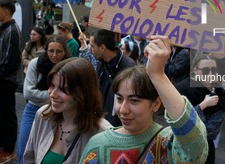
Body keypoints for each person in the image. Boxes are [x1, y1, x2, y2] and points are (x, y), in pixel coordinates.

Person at [79, 36, 208, 164]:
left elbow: (195, 150)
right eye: (119, 99)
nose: (123, 110)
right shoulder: (97, 144)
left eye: (134, 100)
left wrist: (158, 75)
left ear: (156, 104)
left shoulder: (168, 143)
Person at [23, 58, 112, 164]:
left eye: (63, 89)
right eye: (52, 86)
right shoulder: (43, 116)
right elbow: (29, 158)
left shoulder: (103, 134)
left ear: (83, 93)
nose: (52, 94)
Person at [17, 35, 70, 164]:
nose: (54, 55)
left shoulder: (70, 67)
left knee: (52, 152)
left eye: (59, 51)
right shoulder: (36, 64)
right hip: (34, 109)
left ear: (65, 52)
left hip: (61, 112)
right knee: (23, 149)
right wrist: (57, 95)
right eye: (51, 51)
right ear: (46, 50)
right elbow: (28, 92)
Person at [176, 54, 225, 164]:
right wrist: (202, 106)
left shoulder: (220, 95)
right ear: (195, 70)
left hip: (206, 149)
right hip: (183, 147)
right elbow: (180, 122)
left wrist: (195, 112)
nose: (210, 74)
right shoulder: (183, 89)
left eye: (213, 70)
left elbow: (211, 131)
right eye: (205, 70)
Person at [79, 29, 135, 125]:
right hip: (101, 118)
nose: (89, 49)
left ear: (102, 48)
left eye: (92, 46)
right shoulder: (101, 62)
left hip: (116, 124)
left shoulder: (128, 67)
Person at [0, 0, 23, 163]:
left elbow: (12, 59)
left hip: (6, 80)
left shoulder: (13, 30)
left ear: (6, 11)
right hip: (3, 78)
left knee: (7, 114)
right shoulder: (4, 28)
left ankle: (8, 150)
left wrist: (1, 75)